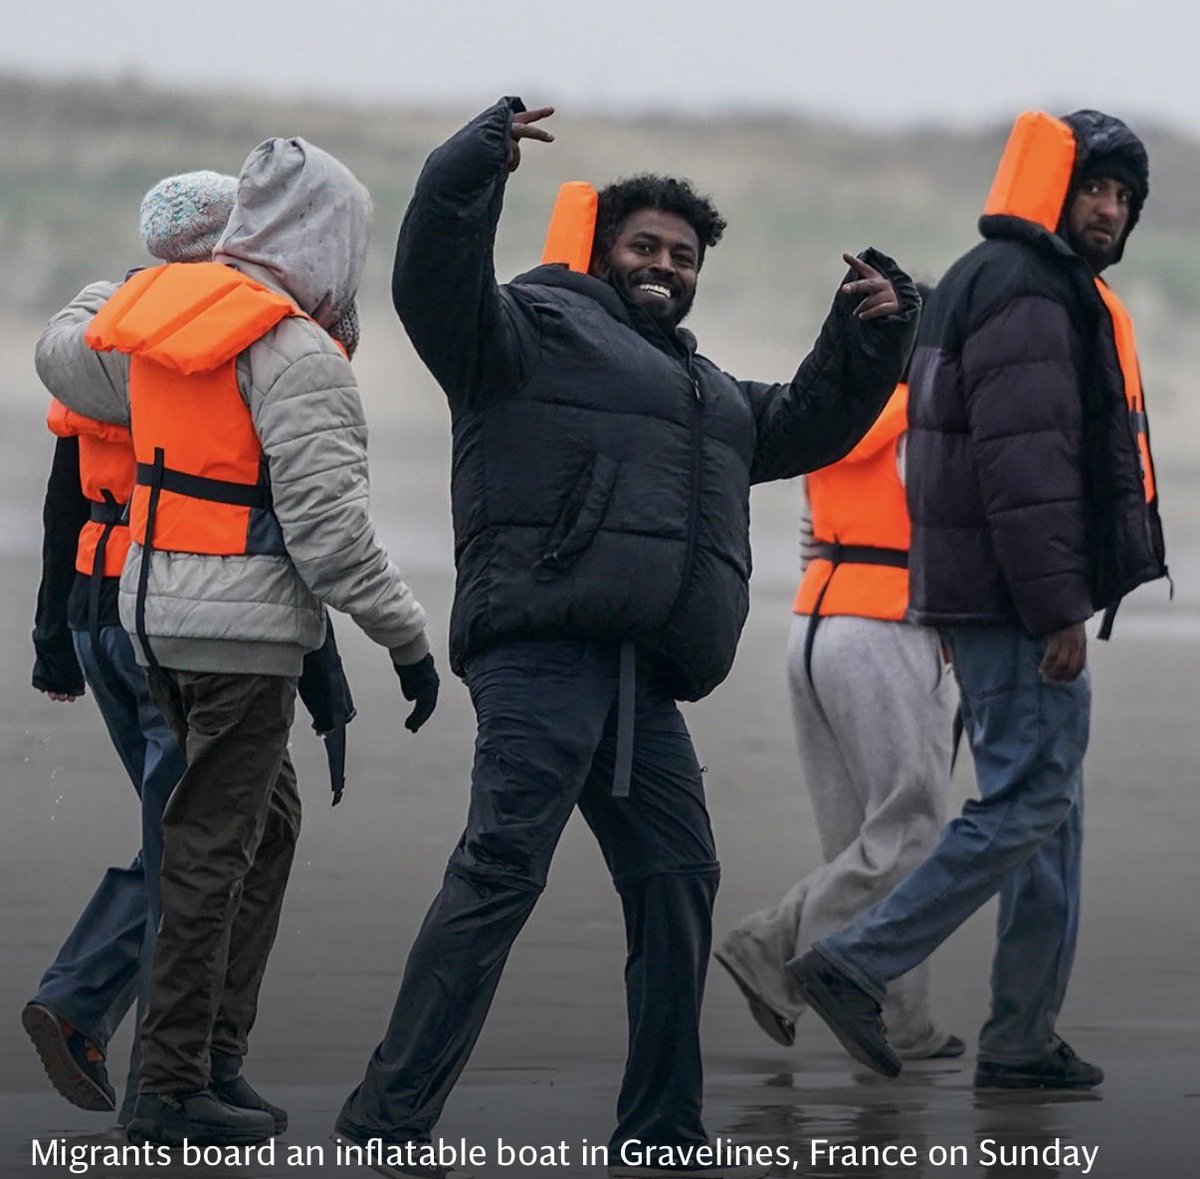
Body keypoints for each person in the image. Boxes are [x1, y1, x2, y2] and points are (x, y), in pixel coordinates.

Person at [334, 96, 919, 1179]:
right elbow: (431, 281)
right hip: (542, 659)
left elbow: (809, 420)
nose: (665, 263)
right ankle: (388, 1119)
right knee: (499, 874)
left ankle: (661, 1131)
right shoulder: (522, 332)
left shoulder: (704, 393)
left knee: (680, 882)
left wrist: (873, 327)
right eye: (644, 246)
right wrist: (471, 168)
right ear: (603, 254)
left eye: (683, 254)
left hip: (642, 686)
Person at [35, 137, 436, 1148]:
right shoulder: (296, 353)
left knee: (265, 825)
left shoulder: (157, 334)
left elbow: (63, 355)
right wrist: (408, 641)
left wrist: (143, 283)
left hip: (148, 621)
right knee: (208, 852)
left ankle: (212, 1056)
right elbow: (332, 538)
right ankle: (168, 1089)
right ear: (330, 239)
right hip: (238, 641)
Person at [790, 109, 1166, 1091]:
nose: (1110, 209)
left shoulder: (994, 280)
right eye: (1095, 187)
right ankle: (850, 962)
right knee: (1031, 798)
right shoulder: (1031, 291)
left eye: (1125, 196)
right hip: (1014, 600)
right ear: (1050, 184)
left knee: (1050, 811)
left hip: (980, 592)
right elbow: (1023, 467)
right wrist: (1057, 611)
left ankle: (1022, 1036)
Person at [715, 288, 965, 1062]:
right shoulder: (930, 418)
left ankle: (901, 1020)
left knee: (861, 838)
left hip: (816, 625)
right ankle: (771, 946)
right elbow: (956, 524)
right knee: (910, 828)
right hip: (891, 623)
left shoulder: (844, 417)